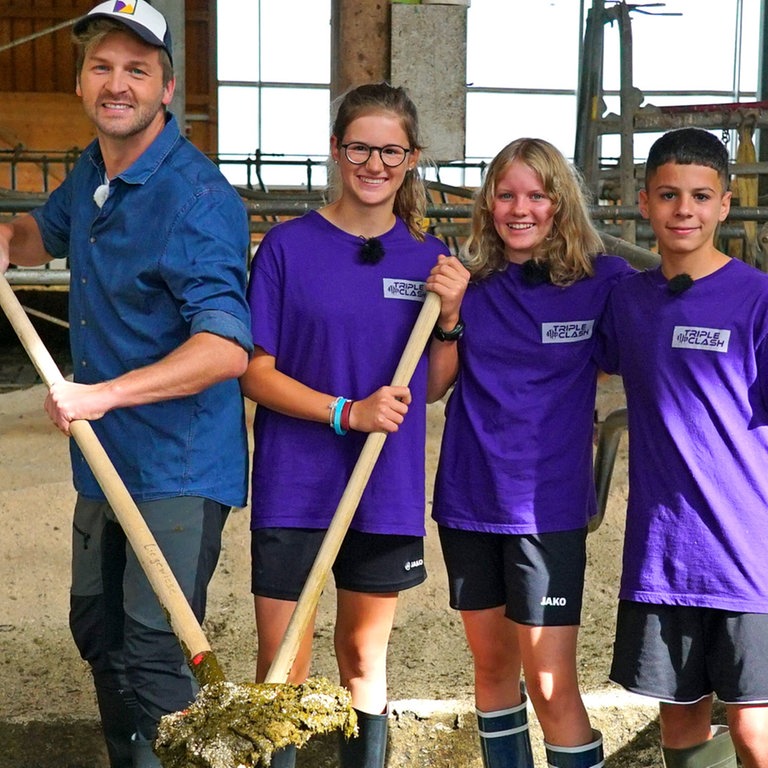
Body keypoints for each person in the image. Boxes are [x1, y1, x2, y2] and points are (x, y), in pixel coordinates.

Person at [0, 3, 252, 767]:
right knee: (101, 636)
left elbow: (225, 350)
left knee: (153, 649)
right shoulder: (93, 172)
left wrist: (100, 395)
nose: (118, 85)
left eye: (137, 70)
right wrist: (6, 240)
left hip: (174, 464)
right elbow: (42, 233)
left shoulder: (196, 200)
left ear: (166, 88)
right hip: (103, 461)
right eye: (102, 68)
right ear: (80, 83)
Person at [240, 81, 467, 768]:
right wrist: (347, 412)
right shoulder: (286, 249)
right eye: (361, 147)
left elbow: (425, 389)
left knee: (364, 658)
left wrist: (451, 321)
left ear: (412, 156)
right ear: (336, 150)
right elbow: (255, 372)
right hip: (296, 483)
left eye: (391, 150)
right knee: (284, 662)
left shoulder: (429, 260)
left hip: (383, 489)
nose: (375, 163)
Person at [426, 137, 633, 768]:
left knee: (549, 683)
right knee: (492, 672)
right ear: (488, 203)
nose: (521, 208)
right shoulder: (471, 282)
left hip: (546, 509)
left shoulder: (603, 281)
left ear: (559, 204)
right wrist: (450, 314)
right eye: (507, 194)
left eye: (537, 194)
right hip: (468, 496)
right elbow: (435, 386)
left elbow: (628, 360)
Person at [596, 127, 768, 768]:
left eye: (701, 195)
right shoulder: (628, 300)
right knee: (681, 722)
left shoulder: (757, 298)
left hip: (745, 551)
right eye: (668, 195)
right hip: (663, 552)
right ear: (644, 203)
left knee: (752, 731)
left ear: (725, 203)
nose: (684, 210)